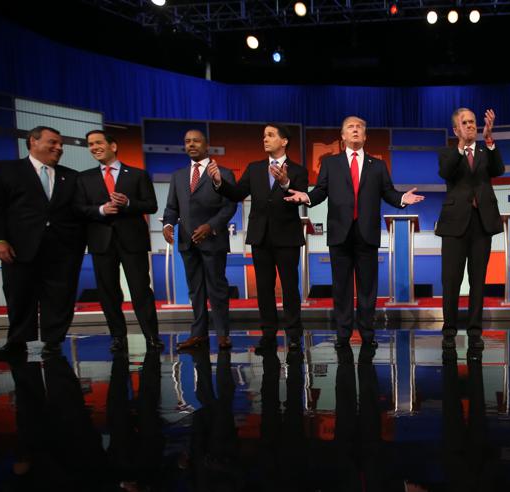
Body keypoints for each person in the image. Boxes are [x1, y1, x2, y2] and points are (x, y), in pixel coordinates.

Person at [286, 116, 424, 349]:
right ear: (342, 136)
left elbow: (388, 192)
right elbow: (320, 191)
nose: (356, 130)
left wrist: (402, 199)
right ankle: (343, 334)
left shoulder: (377, 165)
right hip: (340, 233)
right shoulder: (331, 163)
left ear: (366, 135)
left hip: (367, 232)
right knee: (341, 287)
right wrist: (306, 197)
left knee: (368, 288)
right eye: (350, 127)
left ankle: (368, 334)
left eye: (360, 127)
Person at [0, 126, 85, 360]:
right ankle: (17, 342)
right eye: (53, 142)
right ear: (33, 141)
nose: (59, 148)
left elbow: (79, 212)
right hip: (19, 247)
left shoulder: (71, 176)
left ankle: (53, 342)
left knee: (60, 296)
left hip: (62, 249)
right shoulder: (3, 170)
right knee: (18, 293)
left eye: (61, 144)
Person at [211, 123, 309, 353]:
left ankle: (294, 336)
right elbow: (236, 194)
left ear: (284, 141)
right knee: (264, 289)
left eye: (271, 135)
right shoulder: (254, 169)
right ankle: (268, 336)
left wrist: (285, 183)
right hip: (260, 237)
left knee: (290, 288)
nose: (265, 139)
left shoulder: (298, 170)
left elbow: (302, 197)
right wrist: (218, 182)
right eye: (264, 135)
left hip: (287, 237)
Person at [75, 129, 163, 353]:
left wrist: (129, 203)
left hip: (132, 241)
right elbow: (78, 209)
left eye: (98, 143)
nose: (94, 147)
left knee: (141, 290)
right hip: (101, 242)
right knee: (108, 292)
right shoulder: (84, 178)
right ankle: (117, 337)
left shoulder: (137, 175)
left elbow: (151, 205)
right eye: (90, 144)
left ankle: (152, 336)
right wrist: (101, 210)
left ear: (113, 146)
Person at [435, 108, 505, 351]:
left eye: (473, 122)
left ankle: (475, 331)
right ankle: (449, 330)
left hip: (482, 222)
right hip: (455, 224)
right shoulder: (447, 152)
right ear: (456, 129)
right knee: (451, 281)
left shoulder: (486, 150)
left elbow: (499, 171)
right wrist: (461, 146)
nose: (470, 126)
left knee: (478, 280)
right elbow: (446, 172)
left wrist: (489, 139)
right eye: (464, 123)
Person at [161, 130, 236, 351]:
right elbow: (172, 207)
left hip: (212, 240)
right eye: (187, 141)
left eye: (196, 141)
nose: (191, 145)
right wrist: (167, 224)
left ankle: (223, 335)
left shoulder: (223, 173)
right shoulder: (178, 176)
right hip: (186, 242)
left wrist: (210, 226)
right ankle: (199, 334)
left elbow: (230, 205)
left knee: (217, 289)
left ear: (206, 145)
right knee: (195, 290)